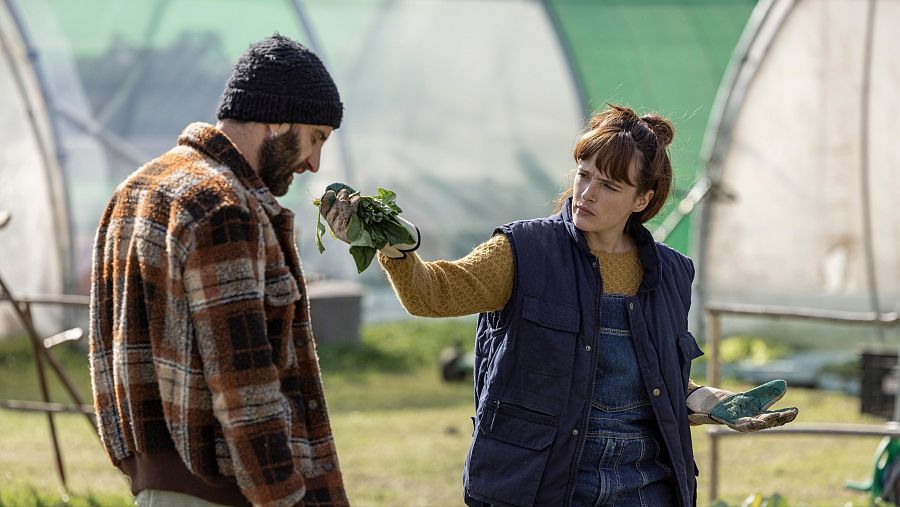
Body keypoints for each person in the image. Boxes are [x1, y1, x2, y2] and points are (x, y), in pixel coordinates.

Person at [320, 104, 798, 506]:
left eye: (609, 186)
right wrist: (391, 246)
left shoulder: (670, 274)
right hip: (546, 485)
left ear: (643, 199)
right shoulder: (523, 252)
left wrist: (709, 401)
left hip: (646, 488)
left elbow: (649, 378)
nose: (586, 193)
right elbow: (433, 294)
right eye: (584, 174)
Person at [89, 34, 348, 507]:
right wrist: (287, 498)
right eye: (316, 138)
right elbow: (243, 388)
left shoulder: (135, 189)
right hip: (227, 495)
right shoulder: (224, 208)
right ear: (278, 118)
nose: (314, 163)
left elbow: (105, 359)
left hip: (156, 489)